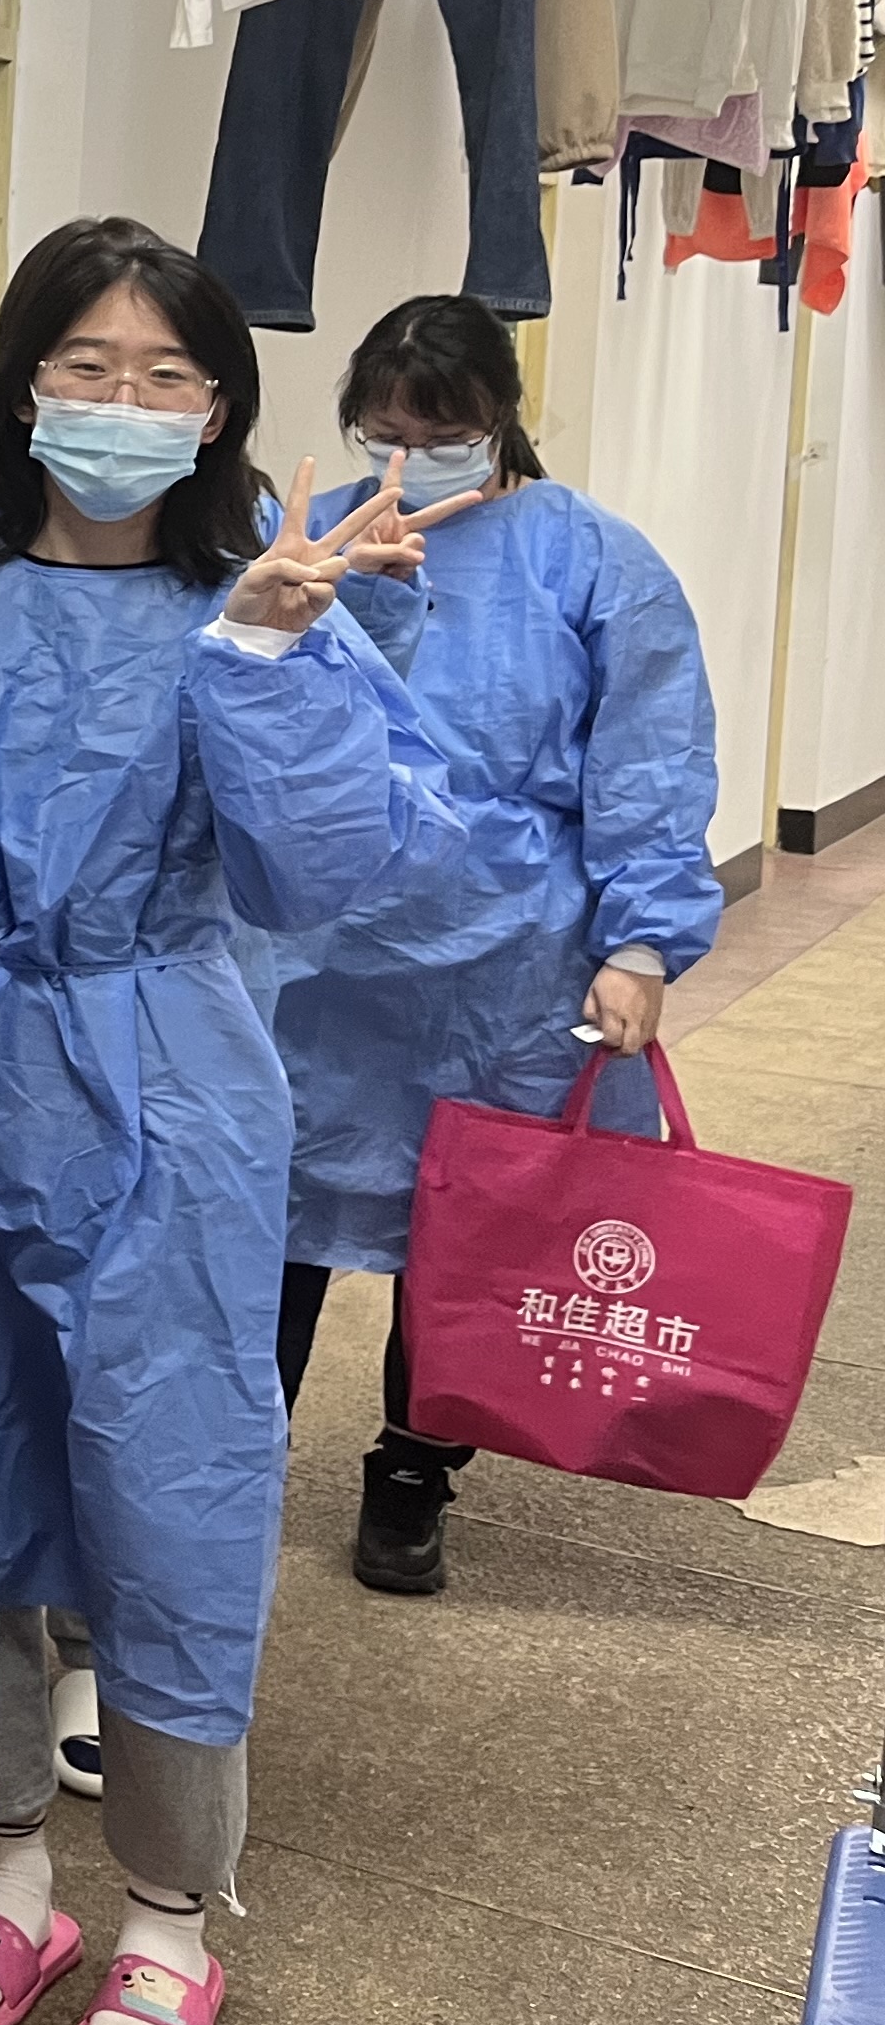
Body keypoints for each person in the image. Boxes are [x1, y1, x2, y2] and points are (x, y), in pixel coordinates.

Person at [0, 219, 466, 2025]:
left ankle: (168, 1910)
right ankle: (7, 1868)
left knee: (170, 1485)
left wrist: (271, 658)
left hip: (167, 1087)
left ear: (217, 410)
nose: (121, 403)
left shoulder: (261, 600)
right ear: (22, 379)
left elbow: (323, 874)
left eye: (166, 375)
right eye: (85, 365)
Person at [261, 293, 724, 1594]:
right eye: (385, 431)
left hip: (508, 958)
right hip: (320, 951)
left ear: (500, 421)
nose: (410, 458)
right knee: (271, 1209)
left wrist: (642, 944)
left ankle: (415, 1469)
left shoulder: (591, 559)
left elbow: (650, 758)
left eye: (442, 432)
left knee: (472, 1224)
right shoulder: (309, 535)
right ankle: (232, 1456)